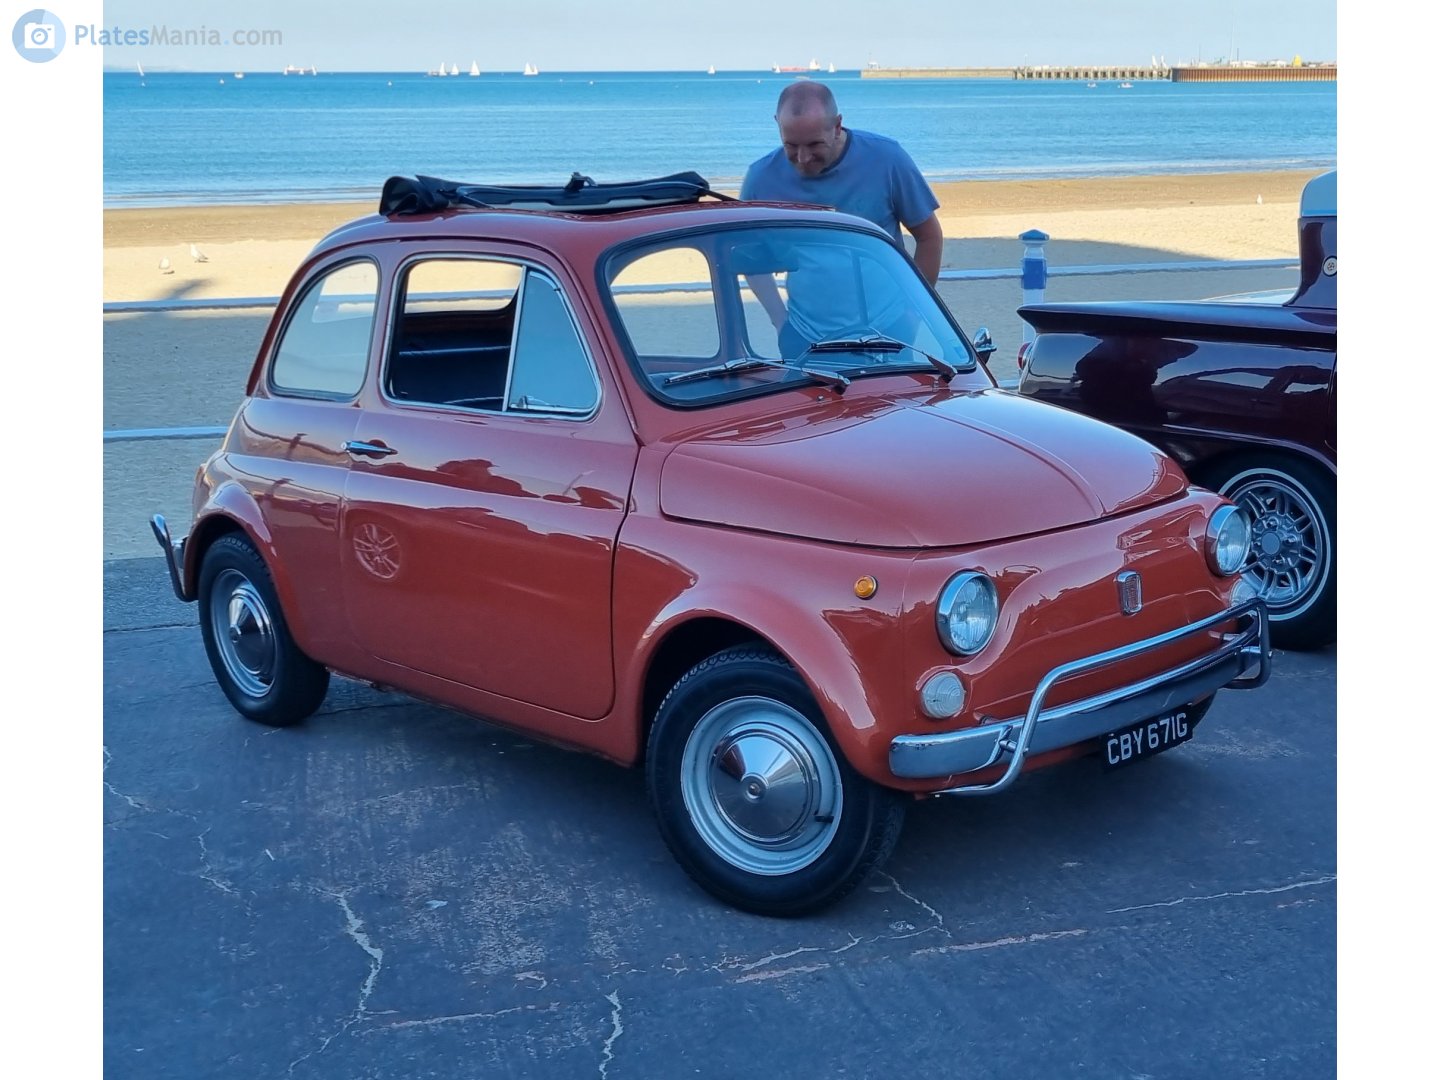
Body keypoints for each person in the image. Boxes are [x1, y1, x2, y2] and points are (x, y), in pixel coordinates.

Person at [740, 81, 944, 354]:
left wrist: (914, 313)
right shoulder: (761, 179)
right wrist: (780, 321)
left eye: (814, 144)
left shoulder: (886, 159)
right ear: (777, 124)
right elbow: (749, 257)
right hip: (805, 337)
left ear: (837, 126)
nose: (803, 158)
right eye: (791, 145)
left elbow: (929, 236)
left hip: (890, 332)